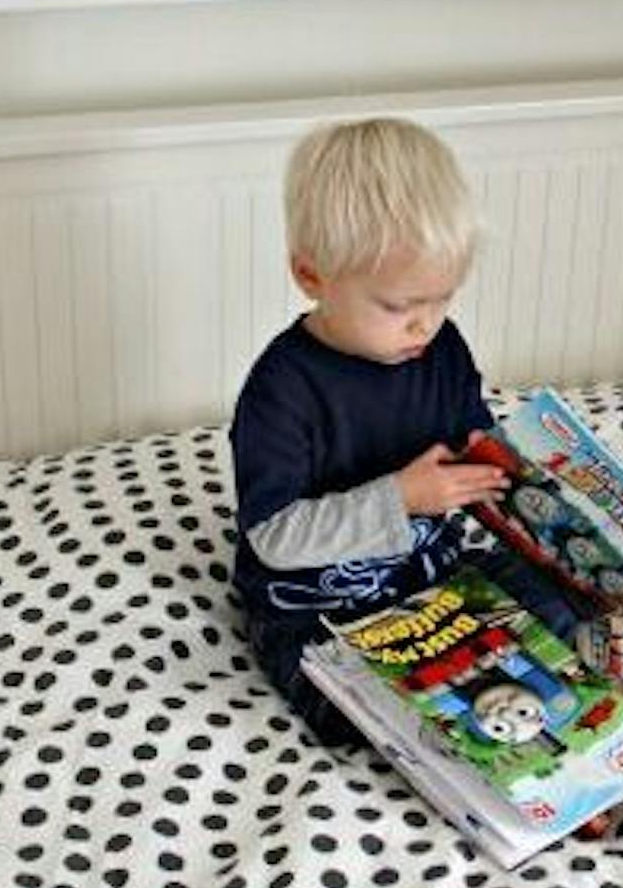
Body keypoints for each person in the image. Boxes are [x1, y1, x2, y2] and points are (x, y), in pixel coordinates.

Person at [231, 116, 550, 744]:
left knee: (564, 611)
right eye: (400, 307)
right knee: (347, 709)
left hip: (433, 579)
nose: (423, 326)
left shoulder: (440, 348)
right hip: (317, 602)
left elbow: (470, 443)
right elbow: (273, 538)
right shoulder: (282, 389)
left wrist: (526, 477)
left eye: (442, 299)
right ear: (312, 276)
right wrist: (401, 499)